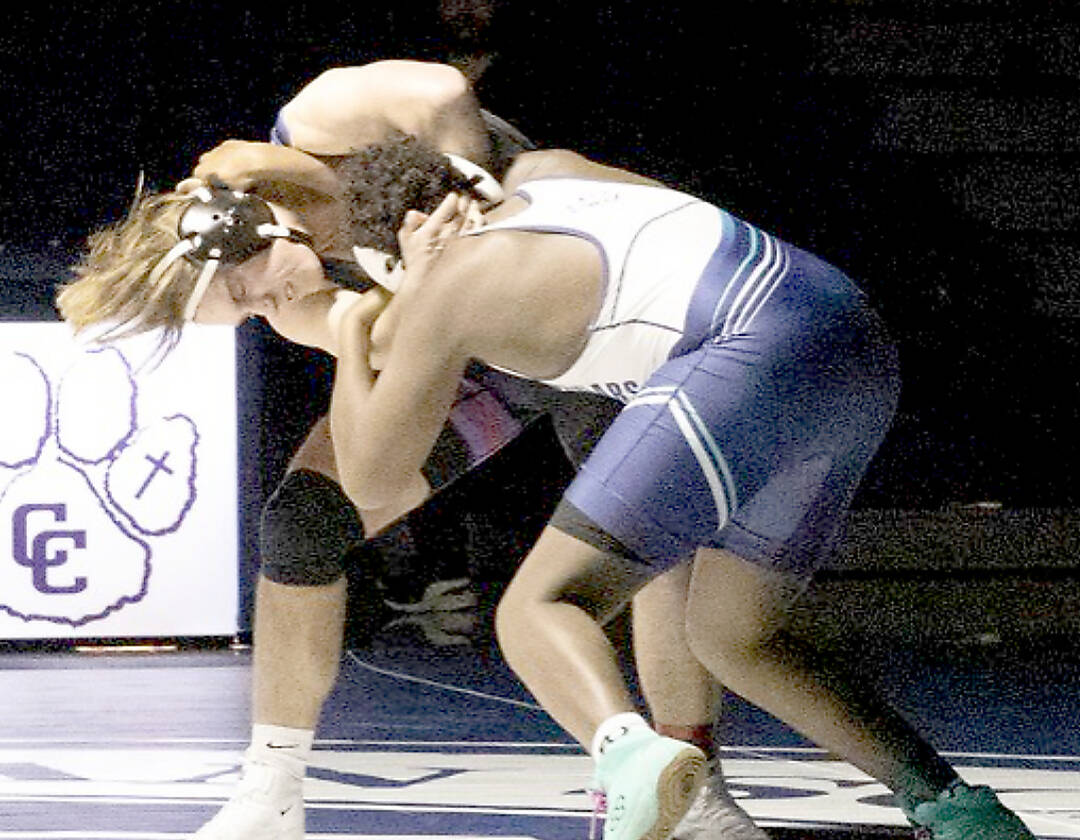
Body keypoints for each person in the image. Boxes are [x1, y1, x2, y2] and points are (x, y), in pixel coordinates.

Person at [58, 59, 772, 840]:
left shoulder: (317, 120)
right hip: (478, 354)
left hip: (582, 303)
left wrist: (457, 196)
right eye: (249, 315)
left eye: (248, 294)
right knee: (301, 525)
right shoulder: (297, 302)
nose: (270, 309)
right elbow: (383, 337)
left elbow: (440, 92)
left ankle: (696, 791)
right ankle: (271, 796)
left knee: (656, 542)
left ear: (239, 228)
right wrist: (429, 276)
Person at [306, 136, 1041, 840]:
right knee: (730, 635)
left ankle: (635, 758)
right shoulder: (552, 168)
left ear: (396, 247)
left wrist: (351, 334)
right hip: (850, 339)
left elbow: (372, 479)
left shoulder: (448, 282)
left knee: (538, 608)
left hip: (747, 351)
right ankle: (959, 811)